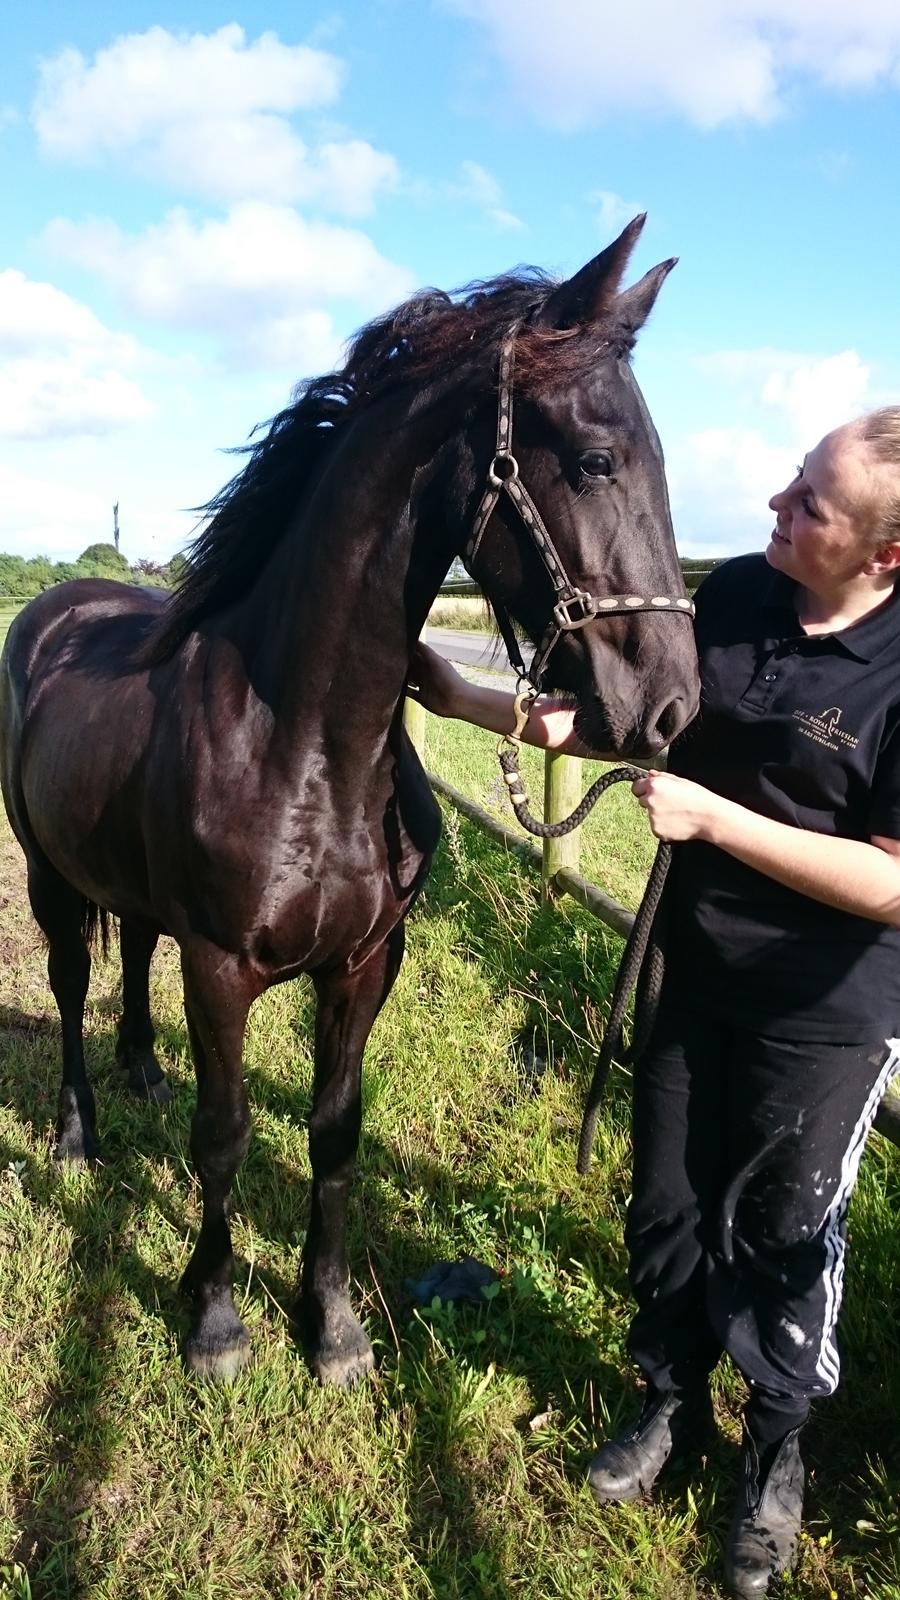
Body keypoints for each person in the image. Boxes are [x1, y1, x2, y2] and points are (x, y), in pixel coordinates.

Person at [408, 408, 900, 1599]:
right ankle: (668, 1399)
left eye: (810, 505)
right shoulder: (731, 598)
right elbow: (618, 721)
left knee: (787, 1232)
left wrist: (720, 820)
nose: (778, 506)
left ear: (886, 555)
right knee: (669, 1198)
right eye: (791, 480)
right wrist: (460, 698)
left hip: (824, 1006)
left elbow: (892, 882)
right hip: (689, 966)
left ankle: (775, 1457)